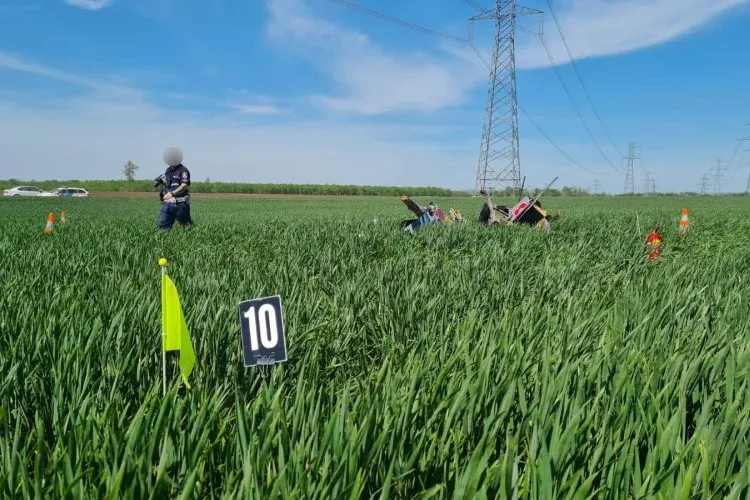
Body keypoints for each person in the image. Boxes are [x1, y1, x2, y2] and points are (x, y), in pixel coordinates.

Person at [155, 147, 193, 230]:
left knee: (187, 228)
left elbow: (184, 185)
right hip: (168, 204)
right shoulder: (168, 170)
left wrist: (172, 194)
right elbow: (169, 185)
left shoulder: (183, 170)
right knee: (162, 228)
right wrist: (164, 191)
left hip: (181, 204)